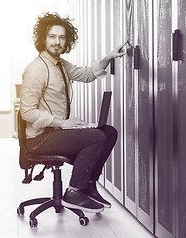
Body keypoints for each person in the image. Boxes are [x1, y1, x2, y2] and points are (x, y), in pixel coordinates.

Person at [20, 12, 126, 213]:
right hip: (40, 137)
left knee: (109, 131)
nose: (57, 42)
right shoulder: (36, 69)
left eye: (61, 37)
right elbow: (26, 112)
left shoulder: (60, 64)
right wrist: (61, 123)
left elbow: (87, 75)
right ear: (43, 38)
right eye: (52, 36)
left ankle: (88, 186)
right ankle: (75, 191)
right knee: (95, 137)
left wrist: (109, 57)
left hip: (55, 132)